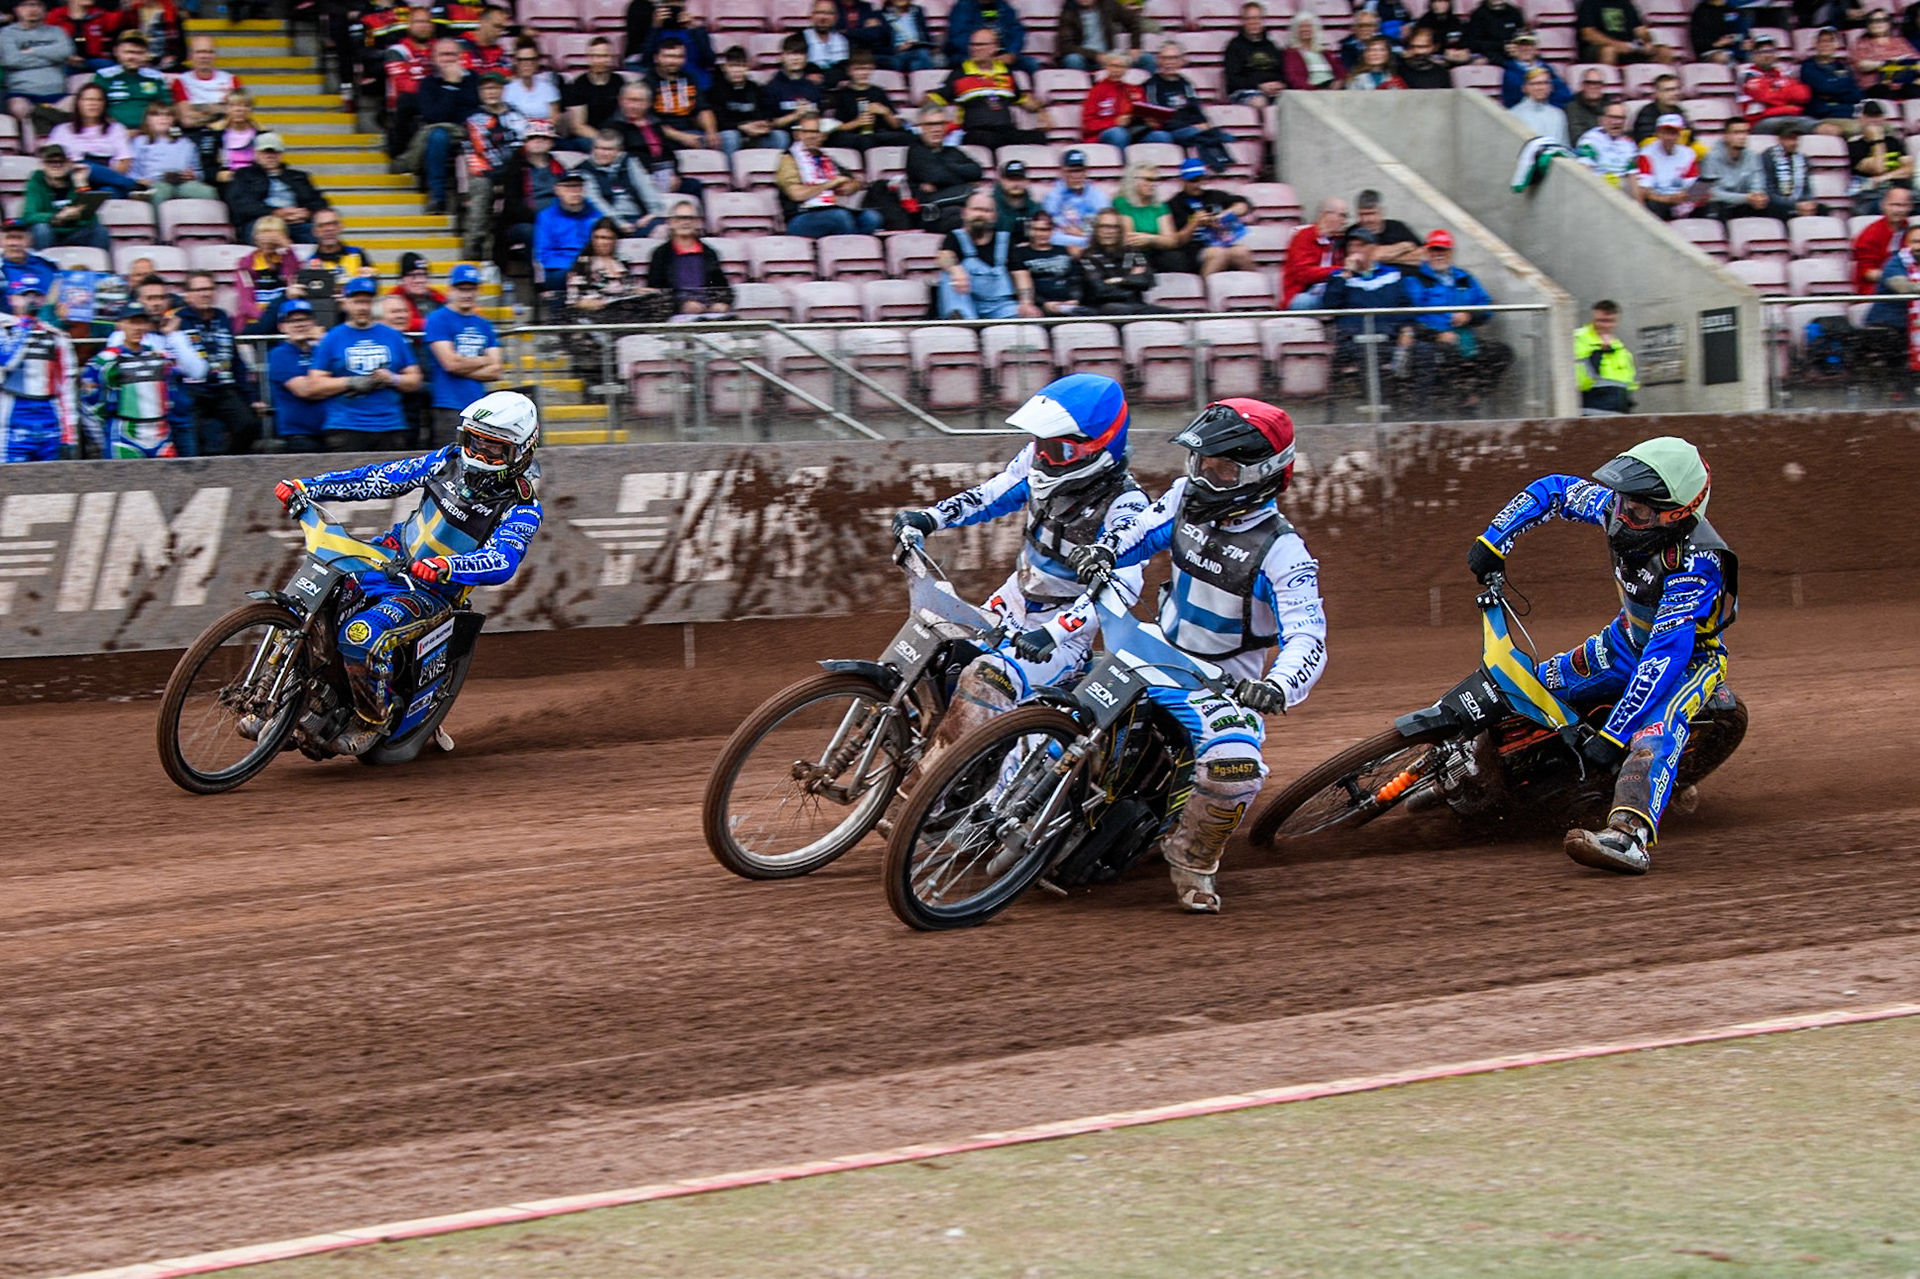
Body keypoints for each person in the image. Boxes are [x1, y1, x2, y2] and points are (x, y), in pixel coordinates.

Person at [1065, 398, 1328, 912]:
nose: (1205, 477)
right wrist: (1105, 550)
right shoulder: (1186, 496)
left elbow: (1308, 637)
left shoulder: (1283, 552)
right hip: (1152, 650)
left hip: (1220, 684)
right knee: (1058, 690)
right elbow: (1140, 532)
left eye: (1223, 470)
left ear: (1262, 475)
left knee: (1237, 767)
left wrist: (1276, 686)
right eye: (1200, 464)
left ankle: (1191, 862)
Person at [1466, 437, 1733, 876]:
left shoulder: (1697, 564)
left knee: (1654, 730)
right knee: (1526, 687)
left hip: (1687, 663)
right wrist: (1494, 539)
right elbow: (1553, 489)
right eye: (1623, 502)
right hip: (1624, 641)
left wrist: (1613, 735)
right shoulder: (1621, 507)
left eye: (1639, 511)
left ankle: (1629, 837)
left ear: (1678, 514)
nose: (1622, 516)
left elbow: (1665, 657)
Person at [891, 373, 1148, 777]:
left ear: (1099, 449)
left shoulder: (1128, 508)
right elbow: (993, 493)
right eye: (1040, 444)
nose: (1043, 457)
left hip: (1062, 634)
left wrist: (1055, 632)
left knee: (985, 679)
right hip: (1010, 600)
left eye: (1056, 448)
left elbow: (1119, 589)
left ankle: (925, 802)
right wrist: (929, 517)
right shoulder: (1038, 461)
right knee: (932, 657)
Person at [271, 390, 542, 756]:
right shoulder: (446, 460)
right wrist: (310, 487)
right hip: (387, 556)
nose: (479, 455)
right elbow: (381, 478)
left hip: (433, 590)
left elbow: (502, 560)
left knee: (360, 634)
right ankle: (279, 693)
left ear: (520, 453)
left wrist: (447, 566)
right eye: (474, 441)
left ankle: (372, 719)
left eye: (493, 449)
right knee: (307, 603)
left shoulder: (522, 508)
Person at [308, 275, 423, 452]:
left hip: (390, 425)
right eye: (357, 302)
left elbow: (415, 379)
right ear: (346, 303)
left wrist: (392, 379)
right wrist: (350, 382)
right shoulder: (332, 338)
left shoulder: (392, 336)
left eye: (367, 302)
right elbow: (315, 384)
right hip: (347, 426)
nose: (362, 307)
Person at [80, 298, 205, 458]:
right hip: (124, 436)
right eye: (132, 322)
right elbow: (90, 403)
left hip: (160, 436)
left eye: (141, 322)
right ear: (120, 325)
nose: (137, 327)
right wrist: (102, 437)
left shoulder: (160, 358)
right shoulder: (105, 361)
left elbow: (184, 381)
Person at [1403, 230, 1512, 408]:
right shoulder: (1415, 280)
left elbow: (1486, 306)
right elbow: (1410, 316)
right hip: (1433, 340)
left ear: (1451, 253)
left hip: (1464, 338)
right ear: (1426, 252)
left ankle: (1472, 397)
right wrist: (1437, 335)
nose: (1438, 255)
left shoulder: (1465, 278)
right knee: (1448, 354)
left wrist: (1469, 316)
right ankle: (1453, 401)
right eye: (1434, 250)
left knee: (1501, 352)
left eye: (1443, 250)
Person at [176, 270, 257, 455]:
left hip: (223, 388)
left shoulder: (223, 318)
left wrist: (249, 398)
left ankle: (228, 465)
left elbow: (235, 360)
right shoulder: (178, 320)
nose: (205, 293)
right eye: (199, 290)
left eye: (209, 289)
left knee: (248, 425)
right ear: (188, 295)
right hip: (192, 390)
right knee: (191, 433)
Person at [929, 28, 1051, 150]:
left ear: (995, 47)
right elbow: (935, 100)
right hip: (975, 132)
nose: (974, 49)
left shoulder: (1005, 72)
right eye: (972, 44)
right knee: (988, 138)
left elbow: (1022, 99)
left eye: (980, 45)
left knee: (1039, 137)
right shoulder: (959, 74)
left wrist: (1042, 112)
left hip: (1005, 130)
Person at [0, 273, 78, 462]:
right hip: (10, 417)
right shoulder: (3, 330)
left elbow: (67, 386)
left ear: (43, 300)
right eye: (24, 295)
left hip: (49, 416)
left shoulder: (56, 337)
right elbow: (6, 362)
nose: (30, 300)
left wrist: (70, 434)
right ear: (11, 299)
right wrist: (24, 325)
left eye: (36, 295)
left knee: (50, 484)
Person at [421, 263, 501, 445]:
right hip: (448, 406)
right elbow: (450, 364)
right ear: (451, 289)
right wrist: (484, 360)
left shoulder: (484, 325)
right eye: (462, 289)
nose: (467, 294)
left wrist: (462, 366)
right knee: (449, 467)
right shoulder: (437, 319)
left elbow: (496, 370)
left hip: (479, 408)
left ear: (478, 290)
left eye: (471, 289)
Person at [1324, 229, 1415, 378]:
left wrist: (1407, 331)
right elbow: (1329, 305)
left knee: (1423, 351)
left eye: (1361, 245)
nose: (1355, 250)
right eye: (1351, 246)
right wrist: (1346, 274)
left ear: (1373, 249)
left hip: (1388, 338)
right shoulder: (1338, 277)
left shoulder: (1392, 274)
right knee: (1366, 358)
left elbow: (1405, 307)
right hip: (1353, 340)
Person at [777, 114, 884, 236]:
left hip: (833, 209)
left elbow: (855, 180)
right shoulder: (788, 159)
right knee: (840, 217)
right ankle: (849, 250)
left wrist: (852, 186)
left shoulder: (825, 159)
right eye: (808, 132)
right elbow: (796, 194)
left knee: (872, 217)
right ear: (798, 134)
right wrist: (829, 184)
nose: (813, 136)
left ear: (823, 136)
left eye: (817, 132)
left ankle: (850, 248)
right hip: (801, 216)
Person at [461, 73, 527, 259]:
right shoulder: (474, 120)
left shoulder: (517, 116)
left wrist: (509, 176)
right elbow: (475, 153)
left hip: (515, 173)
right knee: (481, 187)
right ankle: (473, 246)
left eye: (494, 88)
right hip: (485, 174)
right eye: (485, 89)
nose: (490, 92)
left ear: (502, 90)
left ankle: (501, 254)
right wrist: (495, 177)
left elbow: (522, 146)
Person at [1142, 43, 1234, 173]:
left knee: (1204, 131)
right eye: (1166, 58)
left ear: (1181, 61)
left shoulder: (1185, 83)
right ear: (1158, 60)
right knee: (1203, 134)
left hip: (1188, 128)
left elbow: (1195, 108)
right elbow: (1159, 117)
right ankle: (1216, 141)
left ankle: (1214, 143)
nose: (1169, 62)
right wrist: (1192, 126)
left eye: (1174, 58)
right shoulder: (1151, 85)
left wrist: (1204, 123)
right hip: (1168, 129)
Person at [226, 133, 328, 243]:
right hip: (262, 222)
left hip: (297, 222)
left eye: (274, 152)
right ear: (256, 154)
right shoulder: (244, 175)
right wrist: (275, 213)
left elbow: (319, 202)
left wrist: (307, 213)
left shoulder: (298, 176)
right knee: (264, 236)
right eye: (265, 152)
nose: (270, 156)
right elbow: (240, 205)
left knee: (320, 235)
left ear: (281, 154)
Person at [418, 38, 479, 216]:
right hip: (443, 131)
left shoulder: (474, 79)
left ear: (460, 57)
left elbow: (476, 107)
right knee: (437, 136)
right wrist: (451, 86)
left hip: (472, 128)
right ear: (434, 58)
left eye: (452, 54)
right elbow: (435, 116)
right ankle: (438, 197)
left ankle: (471, 198)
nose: (448, 59)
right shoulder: (428, 83)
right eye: (443, 55)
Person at [938, 191, 1024, 318]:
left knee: (1026, 322)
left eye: (986, 211)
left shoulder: (1005, 239)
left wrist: (1026, 302)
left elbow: (1020, 273)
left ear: (995, 216)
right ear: (965, 213)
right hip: (965, 300)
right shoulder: (954, 237)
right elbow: (943, 256)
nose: (980, 214)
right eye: (976, 209)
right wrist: (956, 270)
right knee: (948, 276)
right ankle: (962, 320)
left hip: (999, 306)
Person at [643, 200, 733, 315]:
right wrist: (681, 305)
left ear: (697, 222)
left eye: (689, 218)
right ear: (671, 222)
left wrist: (722, 303)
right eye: (679, 218)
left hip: (708, 313)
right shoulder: (661, 254)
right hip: (674, 316)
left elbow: (723, 288)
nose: (685, 222)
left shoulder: (709, 253)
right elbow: (655, 294)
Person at [46, 82, 135, 197]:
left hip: (108, 176)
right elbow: (51, 159)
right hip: (74, 178)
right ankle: (133, 184)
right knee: (85, 166)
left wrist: (107, 176)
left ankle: (94, 197)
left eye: (99, 100)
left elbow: (125, 161)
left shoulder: (116, 128)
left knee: (110, 191)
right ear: (78, 103)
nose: (93, 104)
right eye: (88, 99)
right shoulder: (62, 130)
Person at [266, 298, 332, 452]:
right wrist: (333, 385)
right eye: (292, 321)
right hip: (299, 435)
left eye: (304, 319)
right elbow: (306, 390)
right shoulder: (279, 354)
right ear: (282, 327)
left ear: (313, 322)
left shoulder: (322, 349)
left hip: (331, 432)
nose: (299, 324)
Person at [1168, 157, 1254, 275]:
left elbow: (1243, 204)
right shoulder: (1174, 204)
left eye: (1200, 179)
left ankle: (1253, 291)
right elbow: (1177, 241)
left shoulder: (1215, 196)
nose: (1197, 184)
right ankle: (1206, 292)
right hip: (1193, 250)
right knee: (1218, 254)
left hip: (1222, 242)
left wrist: (1226, 213)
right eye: (1193, 181)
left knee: (1242, 252)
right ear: (1182, 181)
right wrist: (1194, 223)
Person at [580, 127, 668, 238]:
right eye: (598, 148)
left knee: (664, 228)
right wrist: (619, 223)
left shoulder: (629, 162)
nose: (602, 153)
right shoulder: (584, 169)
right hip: (605, 222)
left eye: (609, 149)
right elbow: (595, 201)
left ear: (619, 151)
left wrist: (652, 214)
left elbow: (645, 186)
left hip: (637, 218)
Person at [906, 106, 984, 230]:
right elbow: (936, 176)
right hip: (932, 214)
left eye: (940, 124)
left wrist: (945, 166)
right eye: (930, 124)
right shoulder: (916, 151)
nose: (936, 129)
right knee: (969, 202)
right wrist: (964, 181)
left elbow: (977, 171)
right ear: (921, 127)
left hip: (956, 208)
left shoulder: (952, 151)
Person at [498, 118, 563, 266]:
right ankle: (541, 280)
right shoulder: (515, 168)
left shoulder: (560, 167)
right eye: (533, 137)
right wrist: (543, 219)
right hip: (523, 222)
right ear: (525, 141)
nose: (538, 141)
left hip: (556, 219)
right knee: (533, 232)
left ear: (552, 142)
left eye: (544, 138)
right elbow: (512, 206)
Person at [2, 0, 77, 127]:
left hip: (57, 94)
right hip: (22, 94)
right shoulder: (7, 33)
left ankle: (44, 118)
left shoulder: (57, 32)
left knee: (76, 103)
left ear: (44, 9)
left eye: (37, 5)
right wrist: (52, 57)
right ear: (16, 9)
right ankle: (34, 143)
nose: (33, 9)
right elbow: (11, 59)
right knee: (19, 108)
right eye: (26, 5)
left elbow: (65, 52)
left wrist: (31, 51)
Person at [23, 145, 111, 251]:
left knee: (99, 230)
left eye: (61, 162)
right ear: (43, 165)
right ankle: (43, 265)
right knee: (41, 229)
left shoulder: (75, 179)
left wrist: (81, 183)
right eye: (51, 162)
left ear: (69, 163)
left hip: (74, 232)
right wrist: (57, 217)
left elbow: (91, 218)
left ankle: (100, 266)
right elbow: (29, 215)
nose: (57, 166)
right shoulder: (36, 180)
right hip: (50, 232)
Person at [532, 170, 598, 312]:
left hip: (590, 264)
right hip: (559, 268)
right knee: (566, 279)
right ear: (557, 190)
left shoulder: (596, 214)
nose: (574, 191)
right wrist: (572, 267)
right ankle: (562, 325)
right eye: (568, 187)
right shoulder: (546, 216)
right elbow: (543, 253)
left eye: (578, 187)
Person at [1079, 208, 1167, 313]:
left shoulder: (1133, 253)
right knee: (1113, 308)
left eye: (1114, 227)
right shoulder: (1087, 256)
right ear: (1096, 230)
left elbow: (1147, 281)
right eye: (1103, 227)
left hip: (1135, 306)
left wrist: (1115, 281)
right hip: (1101, 309)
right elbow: (1101, 290)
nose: (1108, 232)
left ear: (1120, 230)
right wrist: (1130, 279)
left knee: (1174, 314)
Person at [128, 101, 218, 204]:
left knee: (208, 192)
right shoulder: (140, 142)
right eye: (157, 115)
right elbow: (131, 170)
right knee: (158, 194)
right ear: (147, 120)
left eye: (168, 115)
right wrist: (140, 181)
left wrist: (193, 175)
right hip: (155, 182)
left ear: (173, 120)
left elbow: (199, 172)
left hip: (183, 183)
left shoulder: (186, 143)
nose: (163, 118)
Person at [1111, 159, 1184, 273]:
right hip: (1132, 254)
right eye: (1148, 180)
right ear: (1133, 181)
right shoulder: (1121, 203)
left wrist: (1150, 239)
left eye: (1155, 180)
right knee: (1133, 258)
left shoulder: (1160, 206)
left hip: (1156, 252)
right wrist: (1159, 239)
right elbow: (1130, 239)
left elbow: (1172, 241)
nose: (1153, 184)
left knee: (1177, 258)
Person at [831, 50, 913, 150]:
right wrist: (857, 122)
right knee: (851, 139)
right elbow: (838, 127)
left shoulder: (878, 91)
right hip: (855, 136)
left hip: (878, 135)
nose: (863, 73)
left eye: (867, 69)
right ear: (849, 71)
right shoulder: (844, 95)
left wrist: (885, 112)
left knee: (908, 136)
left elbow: (896, 125)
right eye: (858, 69)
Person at [234, 214, 302, 332]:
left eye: (274, 236)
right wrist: (268, 319)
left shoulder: (288, 260)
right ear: (256, 237)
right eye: (264, 234)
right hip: (257, 321)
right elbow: (246, 303)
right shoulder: (246, 264)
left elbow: (294, 282)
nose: (269, 240)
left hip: (286, 320)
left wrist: (287, 247)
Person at [649, 36, 719, 150]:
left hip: (691, 132)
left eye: (679, 57)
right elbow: (648, 121)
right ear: (656, 58)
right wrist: (680, 136)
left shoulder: (690, 78)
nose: (673, 61)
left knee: (729, 137)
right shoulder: (647, 83)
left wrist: (711, 132)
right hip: (662, 136)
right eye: (668, 56)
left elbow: (703, 109)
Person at [1702, 117, 1777, 220]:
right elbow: (1711, 193)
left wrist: (1758, 196)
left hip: (1745, 204)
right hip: (1722, 205)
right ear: (1726, 136)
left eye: (1745, 132)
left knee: (1769, 205)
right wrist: (1745, 198)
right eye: (1737, 133)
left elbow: (1757, 183)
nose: (1742, 137)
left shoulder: (1753, 156)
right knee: (1715, 208)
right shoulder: (1711, 157)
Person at [93, 33, 170, 130]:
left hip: (150, 133)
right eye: (128, 52)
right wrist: (117, 132)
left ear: (147, 55)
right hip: (110, 133)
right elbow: (95, 108)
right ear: (116, 52)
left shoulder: (155, 77)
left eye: (139, 53)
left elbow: (166, 107)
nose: (133, 57)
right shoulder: (104, 76)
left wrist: (143, 131)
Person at [1010, 211, 1084, 313]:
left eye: (1045, 230)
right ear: (1029, 230)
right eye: (1036, 229)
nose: (1041, 234)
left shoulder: (1065, 250)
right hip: (1040, 306)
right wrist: (1043, 303)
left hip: (1070, 304)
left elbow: (1076, 279)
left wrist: (1075, 299)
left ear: (1052, 231)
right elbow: (1021, 284)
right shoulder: (1020, 253)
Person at [561, 36, 625, 151]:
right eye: (595, 56)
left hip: (616, 134)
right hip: (588, 137)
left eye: (605, 56)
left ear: (611, 58)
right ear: (588, 58)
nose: (600, 60)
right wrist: (605, 141)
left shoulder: (619, 81)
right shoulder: (577, 85)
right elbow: (578, 127)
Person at [1283, 196, 1348, 308]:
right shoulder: (1303, 236)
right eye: (1342, 215)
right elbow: (1303, 273)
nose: (1344, 221)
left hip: (1330, 290)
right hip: (1301, 294)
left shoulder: (1340, 241)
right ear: (1326, 215)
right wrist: (1338, 272)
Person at [713, 46, 779, 155]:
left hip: (755, 132)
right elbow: (718, 121)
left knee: (780, 136)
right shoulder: (716, 90)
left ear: (747, 68)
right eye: (733, 66)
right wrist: (741, 127)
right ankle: (731, 171)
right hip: (731, 132)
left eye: (741, 66)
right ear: (725, 67)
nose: (737, 70)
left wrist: (763, 125)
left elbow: (766, 113)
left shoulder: (756, 89)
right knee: (732, 137)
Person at [1574, 298, 1636, 413]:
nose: (1605, 326)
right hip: (1591, 409)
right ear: (1593, 318)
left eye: (1610, 321)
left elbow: (1628, 382)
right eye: (1601, 321)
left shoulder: (1619, 347)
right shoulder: (1578, 339)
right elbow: (1578, 379)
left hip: (1617, 410)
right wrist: (1599, 353)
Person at [1851, 100, 1913, 213]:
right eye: (1870, 117)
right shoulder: (1855, 145)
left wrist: (1883, 178)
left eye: (1878, 116)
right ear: (1861, 120)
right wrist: (1877, 139)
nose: (1874, 120)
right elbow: (1878, 168)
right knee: (1891, 207)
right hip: (1871, 197)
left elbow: (1909, 169)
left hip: (1899, 192)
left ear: (1883, 119)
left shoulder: (1894, 142)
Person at [170, 35, 243, 132]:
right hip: (194, 134)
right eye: (199, 52)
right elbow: (186, 120)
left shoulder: (231, 80)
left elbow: (238, 115)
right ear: (191, 55)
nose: (204, 56)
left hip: (226, 134)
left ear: (215, 55)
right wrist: (220, 111)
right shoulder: (181, 81)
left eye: (209, 52)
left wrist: (197, 109)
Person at [1634, 113, 1699, 219]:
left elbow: (1693, 186)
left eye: (1673, 133)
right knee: (1654, 207)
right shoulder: (1646, 154)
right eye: (1665, 132)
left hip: (1681, 200)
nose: (1669, 137)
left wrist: (1683, 196)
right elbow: (1644, 191)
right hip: (1658, 200)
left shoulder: (1688, 153)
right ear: (1658, 133)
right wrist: (1668, 199)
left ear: (1679, 134)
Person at [1042, 148, 1110, 249]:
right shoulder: (1053, 196)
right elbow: (1047, 227)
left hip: (1091, 246)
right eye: (1071, 171)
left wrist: (1082, 233)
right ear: (1062, 172)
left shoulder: (1098, 196)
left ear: (1086, 172)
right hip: (1061, 247)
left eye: (1080, 171)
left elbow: (1107, 226)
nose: (1076, 176)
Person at [1852, 181, 1913, 291]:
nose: (1899, 210)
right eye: (1894, 205)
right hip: (1877, 290)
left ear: (1910, 207)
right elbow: (1867, 272)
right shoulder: (1870, 234)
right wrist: (1898, 278)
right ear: (1883, 205)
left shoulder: (1912, 231)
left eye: (1904, 205)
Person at [1058, 0, 1150, 73]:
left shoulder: (1109, 5)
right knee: (1072, 60)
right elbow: (1066, 46)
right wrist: (1096, 56)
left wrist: (1135, 46)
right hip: (1085, 58)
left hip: (1110, 56)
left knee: (1147, 59)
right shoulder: (1068, 13)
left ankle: (1148, 94)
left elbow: (1133, 21)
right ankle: (1080, 93)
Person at [1741, 35, 1811, 133]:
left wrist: (1776, 91)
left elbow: (1803, 95)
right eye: (1763, 52)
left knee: (1816, 125)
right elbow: (1765, 96)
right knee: (1795, 127)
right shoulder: (1749, 75)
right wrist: (1786, 96)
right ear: (1754, 55)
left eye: (1771, 51)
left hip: (1787, 117)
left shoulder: (1782, 73)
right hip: (1759, 121)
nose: (1768, 55)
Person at [944, 0, 1035, 74]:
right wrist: (985, 53)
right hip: (968, 55)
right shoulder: (962, 7)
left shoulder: (1005, 7)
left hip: (1001, 56)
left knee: (1030, 64)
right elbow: (958, 39)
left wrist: (1011, 53)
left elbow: (1017, 33)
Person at [1082, 48, 1147, 146]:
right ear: (1106, 67)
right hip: (1104, 133)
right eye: (1114, 66)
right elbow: (1088, 124)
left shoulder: (1135, 90)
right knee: (1118, 133)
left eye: (1122, 67)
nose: (1117, 70)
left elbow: (1144, 113)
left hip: (1133, 130)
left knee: (1159, 135)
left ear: (1126, 69)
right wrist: (1115, 122)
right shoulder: (1096, 90)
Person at [1225, 3, 1288, 104]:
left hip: (1275, 92)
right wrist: (1259, 86)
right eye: (1249, 19)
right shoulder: (1234, 47)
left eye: (1257, 18)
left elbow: (1283, 72)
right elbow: (1233, 80)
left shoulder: (1271, 46)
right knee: (1259, 101)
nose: (1254, 22)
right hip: (1246, 92)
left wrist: (1279, 84)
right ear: (1243, 21)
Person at [1575, 0, 1670, 65]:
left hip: (1629, 48)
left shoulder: (1626, 4)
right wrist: (1618, 45)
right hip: (1600, 49)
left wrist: (1647, 41)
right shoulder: (1589, 3)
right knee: (1609, 50)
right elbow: (1587, 34)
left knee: (1663, 51)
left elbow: (1640, 30)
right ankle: (1609, 90)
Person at [1801, 26, 1864, 122]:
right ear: (1815, 44)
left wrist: (1833, 92)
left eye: (1830, 41)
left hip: (1846, 112)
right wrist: (1843, 89)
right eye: (1822, 41)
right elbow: (1824, 87)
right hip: (1822, 115)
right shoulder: (1808, 67)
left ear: (1836, 45)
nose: (1826, 45)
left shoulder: (1843, 67)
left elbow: (1856, 95)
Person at [1854, 9, 1918, 98]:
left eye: (1882, 20)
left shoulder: (1900, 41)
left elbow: (1916, 61)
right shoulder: (1863, 43)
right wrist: (1886, 64)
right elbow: (1862, 65)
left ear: (1889, 23)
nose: (1878, 24)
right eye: (1873, 21)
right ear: (1868, 25)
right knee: (1883, 91)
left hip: (1904, 83)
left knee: (1914, 90)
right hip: (1877, 86)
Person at [1347, 188, 1420, 266]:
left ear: (1382, 212)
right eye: (1362, 214)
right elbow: (1371, 257)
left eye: (1372, 214)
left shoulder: (1398, 227)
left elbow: (1423, 254)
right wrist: (1405, 246)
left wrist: (1383, 257)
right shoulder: (1352, 233)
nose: (1367, 220)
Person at [1573, 102, 1638, 187]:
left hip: (1623, 188)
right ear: (1602, 119)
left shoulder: (1629, 144)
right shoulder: (1590, 139)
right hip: (1598, 187)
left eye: (1621, 118)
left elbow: (1633, 178)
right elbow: (1584, 172)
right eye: (1613, 117)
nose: (1617, 122)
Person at [1499, 32, 1568, 107]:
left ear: (1536, 49)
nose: (1525, 48)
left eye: (1530, 45)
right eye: (1521, 45)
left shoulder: (1547, 69)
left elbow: (1564, 94)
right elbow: (1513, 99)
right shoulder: (1510, 73)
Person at [1282, 14, 1344, 90]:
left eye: (1308, 26)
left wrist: (1339, 82)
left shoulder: (1325, 52)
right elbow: (1295, 79)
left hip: (1332, 91)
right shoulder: (1291, 54)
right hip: (1310, 93)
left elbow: (1341, 72)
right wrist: (1317, 90)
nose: (1304, 29)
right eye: (1301, 27)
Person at [389, 251, 446, 333]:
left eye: (423, 275)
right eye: (413, 276)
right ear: (402, 279)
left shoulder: (436, 296)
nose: (419, 280)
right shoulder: (393, 299)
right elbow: (399, 322)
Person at [1509, 65, 1569, 143]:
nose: (1541, 87)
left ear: (1551, 87)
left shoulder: (1558, 114)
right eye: (1535, 84)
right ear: (1524, 88)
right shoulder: (1514, 114)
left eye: (1545, 83)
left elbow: (1564, 145)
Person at [504, 45, 561, 124]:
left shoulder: (549, 89)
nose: (526, 64)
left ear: (537, 62)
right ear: (515, 62)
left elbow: (555, 118)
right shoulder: (506, 90)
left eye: (531, 59)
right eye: (521, 60)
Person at [879, 0, 938, 75]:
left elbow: (925, 34)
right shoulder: (881, 15)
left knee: (915, 64)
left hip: (917, 49)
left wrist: (930, 47)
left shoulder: (917, 11)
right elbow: (879, 46)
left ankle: (919, 84)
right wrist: (897, 48)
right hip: (897, 54)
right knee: (922, 54)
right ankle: (929, 84)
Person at [801, 0, 852, 83]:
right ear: (811, 15)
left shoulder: (845, 41)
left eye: (829, 13)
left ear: (836, 17)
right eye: (819, 13)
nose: (823, 17)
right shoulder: (799, 39)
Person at [1629, 72, 1688, 144]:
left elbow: (1691, 141)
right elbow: (1646, 143)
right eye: (1669, 90)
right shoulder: (1647, 113)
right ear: (1657, 93)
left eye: (1677, 89)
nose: (1676, 93)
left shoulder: (1679, 111)